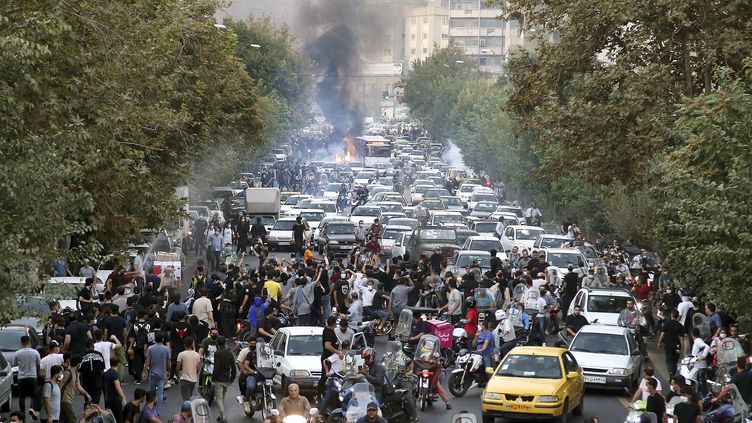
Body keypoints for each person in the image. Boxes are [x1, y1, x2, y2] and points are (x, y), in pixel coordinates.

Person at [142, 331, 170, 416]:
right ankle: (157, 411)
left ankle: (150, 408)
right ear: (162, 339)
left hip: (153, 373)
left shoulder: (150, 348)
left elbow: (147, 361)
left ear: (154, 339)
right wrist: (169, 371)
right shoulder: (166, 349)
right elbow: (168, 361)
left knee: (151, 391)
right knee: (160, 392)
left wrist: (144, 371)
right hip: (162, 373)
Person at [212, 336, 236, 423]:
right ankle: (221, 415)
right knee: (222, 398)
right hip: (227, 379)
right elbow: (233, 367)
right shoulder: (229, 353)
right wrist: (232, 378)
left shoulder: (217, 353)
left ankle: (224, 417)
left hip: (219, 379)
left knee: (219, 398)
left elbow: (216, 367)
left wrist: (213, 378)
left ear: (217, 343)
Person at [658, 310, 685, 378]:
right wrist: (682, 349)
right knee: (675, 360)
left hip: (668, 345)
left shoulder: (666, 323)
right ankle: (673, 372)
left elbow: (662, 334)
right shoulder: (680, 325)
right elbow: (681, 339)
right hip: (677, 346)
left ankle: (671, 373)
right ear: (678, 316)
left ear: (671, 315)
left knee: (669, 360)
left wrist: (659, 342)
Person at [80, 339, 105, 405]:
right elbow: (102, 369)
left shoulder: (82, 356)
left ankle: (88, 414)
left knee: (88, 402)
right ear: (93, 346)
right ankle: (96, 414)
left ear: (86, 347)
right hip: (97, 382)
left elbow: (80, 371)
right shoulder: (99, 355)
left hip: (86, 383)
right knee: (96, 402)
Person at [176, 337, 200, 402]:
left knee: (186, 399)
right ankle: (188, 410)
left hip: (184, 378)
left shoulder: (181, 354)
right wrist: (195, 374)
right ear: (192, 344)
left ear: (184, 344)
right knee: (189, 396)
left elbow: (178, 368)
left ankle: (187, 411)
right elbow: (198, 368)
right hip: (193, 379)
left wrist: (178, 377)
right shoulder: (197, 355)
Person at [103, 357, 126, 423]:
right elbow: (117, 386)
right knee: (118, 418)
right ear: (118, 364)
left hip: (108, 398)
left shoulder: (106, 373)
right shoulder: (115, 374)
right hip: (116, 399)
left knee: (110, 418)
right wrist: (123, 398)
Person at [689, 327, 710, 395]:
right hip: (697, 366)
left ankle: (705, 396)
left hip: (700, 366)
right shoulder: (697, 341)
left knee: (701, 382)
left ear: (692, 334)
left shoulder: (698, 341)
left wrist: (703, 356)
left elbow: (707, 347)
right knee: (698, 382)